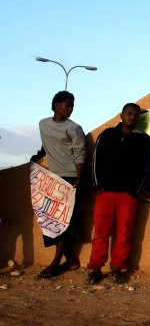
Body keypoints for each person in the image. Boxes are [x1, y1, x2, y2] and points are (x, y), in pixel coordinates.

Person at [86, 103, 150, 284]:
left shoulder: (143, 140)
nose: (132, 117)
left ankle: (118, 268)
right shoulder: (107, 135)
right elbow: (96, 160)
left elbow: (146, 167)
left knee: (124, 232)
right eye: (129, 113)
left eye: (136, 115)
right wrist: (97, 186)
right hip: (105, 192)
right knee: (101, 231)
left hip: (128, 195)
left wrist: (136, 191)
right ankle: (96, 268)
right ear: (121, 115)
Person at [31, 91, 86, 278]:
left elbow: (80, 153)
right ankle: (71, 259)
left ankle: (54, 264)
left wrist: (78, 177)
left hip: (70, 179)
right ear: (56, 105)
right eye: (67, 105)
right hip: (51, 179)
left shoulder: (74, 128)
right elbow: (46, 144)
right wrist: (39, 155)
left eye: (72, 106)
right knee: (50, 221)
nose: (70, 109)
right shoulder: (43, 124)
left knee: (64, 223)